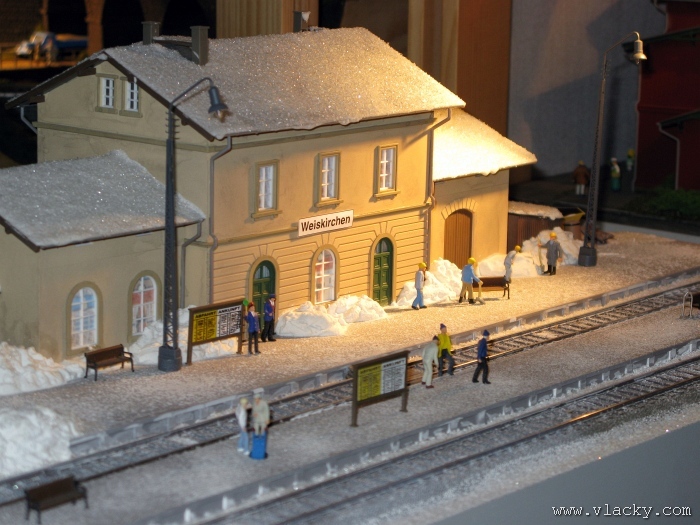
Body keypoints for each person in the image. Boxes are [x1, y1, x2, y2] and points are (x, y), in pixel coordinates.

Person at [250, 388, 270, 460]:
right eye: (255, 399)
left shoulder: (264, 403)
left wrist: (267, 419)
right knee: (256, 430)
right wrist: (253, 415)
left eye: (257, 399)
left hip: (262, 419)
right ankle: (257, 437)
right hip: (256, 419)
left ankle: (261, 438)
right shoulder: (254, 403)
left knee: (262, 431)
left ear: (259, 398)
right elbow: (253, 411)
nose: (256, 400)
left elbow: (266, 411)